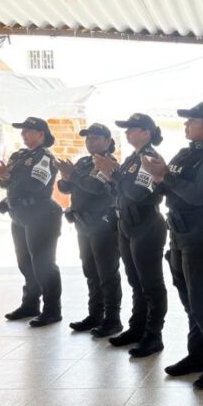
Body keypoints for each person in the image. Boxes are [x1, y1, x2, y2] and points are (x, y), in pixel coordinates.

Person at [141, 102, 203, 390]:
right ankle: (197, 357)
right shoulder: (186, 154)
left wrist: (164, 176)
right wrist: (160, 178)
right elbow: (166, 187)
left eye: (191, 121)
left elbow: (198, 194)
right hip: (181, 233)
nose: (185, 125)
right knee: (189, 302)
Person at [94, 113, 168, 358]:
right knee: (136, 282)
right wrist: (112, 176)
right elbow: (119, 190)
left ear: (147, 132)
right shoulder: (131, 159)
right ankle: (137, 328)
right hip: (127, 224)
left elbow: (137, 193)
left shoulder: (150, 158)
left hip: (147, 224)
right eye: (126, 130)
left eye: (132, 129)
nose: (127, 133)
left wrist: (114, 175)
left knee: (151, 284)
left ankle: (153, 335)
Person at [0, 117, 62, 327]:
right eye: (23, 132)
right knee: (25, 263)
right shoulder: (19, 155)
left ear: (41, 134)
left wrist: (9, 174)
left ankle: (52, 309)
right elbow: (5, 182)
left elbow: (36, 184)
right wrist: (6, 176)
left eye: (29, 131)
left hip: (41, 215)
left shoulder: (45, 157)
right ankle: (30, 304)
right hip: (19, 214)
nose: (24, 135)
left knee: (43, 264)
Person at [55, 123, 123, 337]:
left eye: (95, 138)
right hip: (83, 224)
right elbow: (67, 187)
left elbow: (94, 187)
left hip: (103, 225)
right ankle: (95, 315)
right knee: (90, 271)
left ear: (107, 141)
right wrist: (67, 177)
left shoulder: (108, 163)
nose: (90, 141)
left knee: (107, 273)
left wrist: (72, 175)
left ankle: (113, 319)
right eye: (88, 138)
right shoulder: (84, 162)